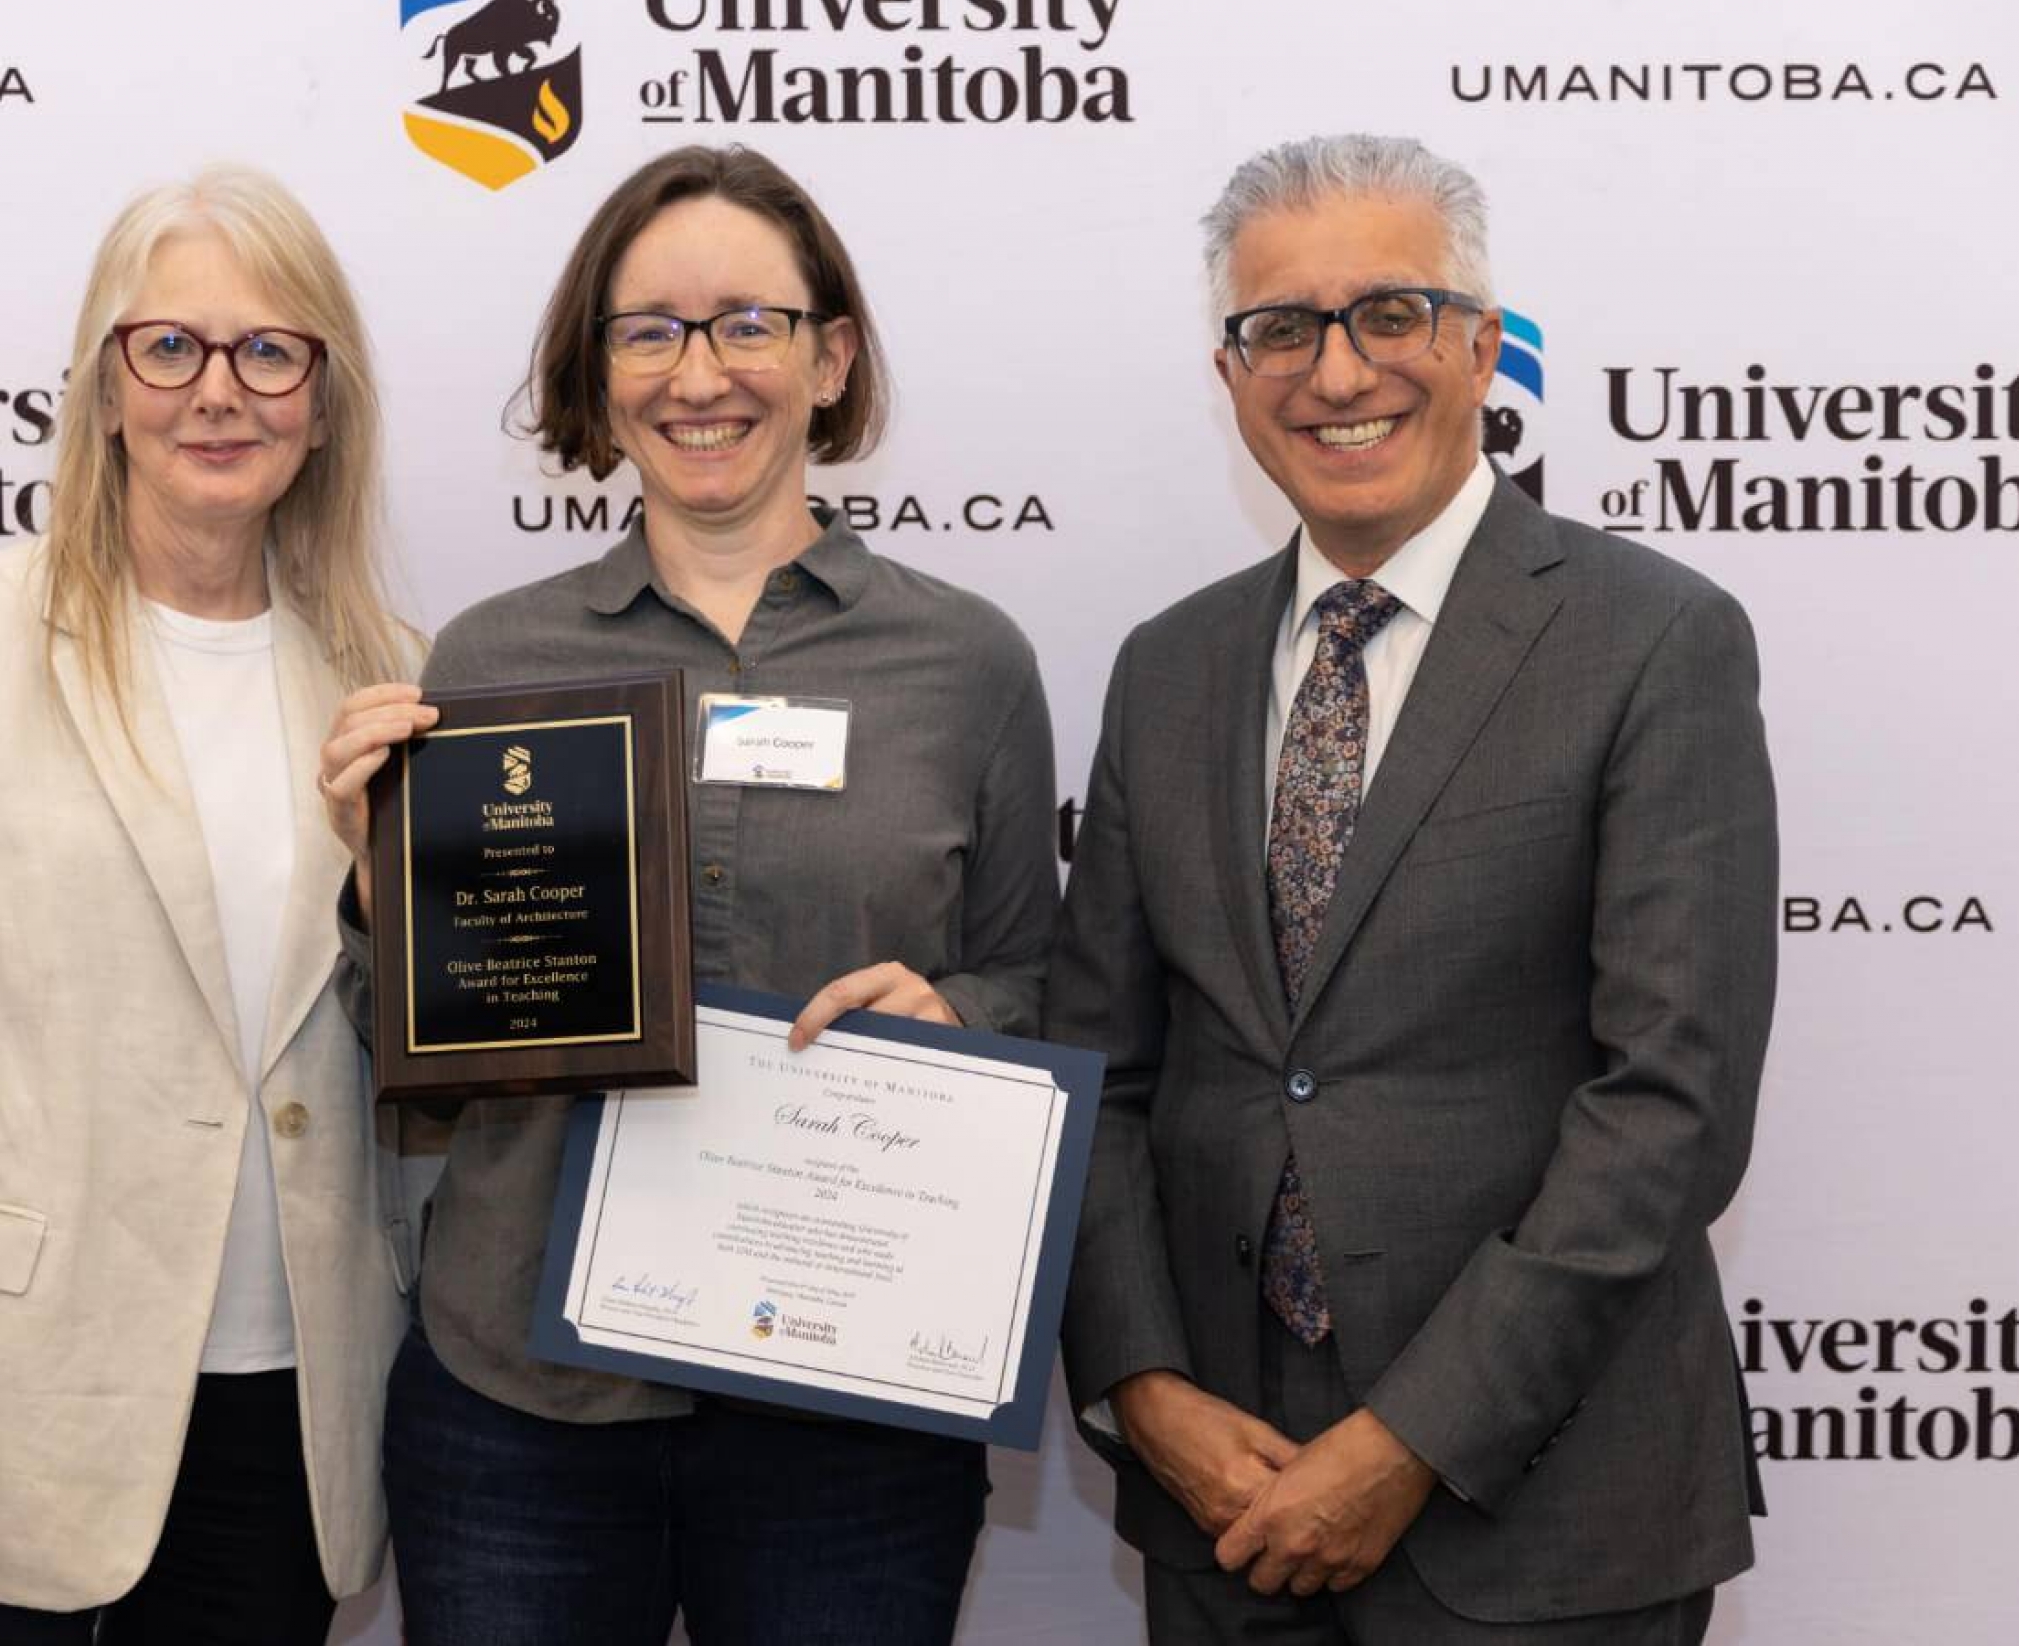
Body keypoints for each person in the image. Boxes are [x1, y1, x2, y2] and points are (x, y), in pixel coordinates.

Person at [319, 143, 1058, 1646]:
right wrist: (381, 889)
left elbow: (1040, 987)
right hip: (521, 1408)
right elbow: (417, 1074)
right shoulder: (485, 666)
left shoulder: (969, 664)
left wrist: (951, 1015)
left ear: (831, 357)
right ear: (598, 375)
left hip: (844, 1422)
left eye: (747, 324)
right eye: (647, 330)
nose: (696, 373)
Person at [1053, 133, 1778, 1644]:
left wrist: (1409, 1443)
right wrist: (1144, 1386)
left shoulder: (1654, 642)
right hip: (1224, 1506)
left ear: (1480, 343)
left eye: (1388, 313)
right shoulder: (1166, 668)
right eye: (1281, 329)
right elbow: (1101, 1073)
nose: (1335, 372)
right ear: (1231, 367)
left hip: (1545, 1510)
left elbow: (1672, 1103)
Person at [0, 167, 416, 1646]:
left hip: (290, 1436)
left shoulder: (390, 670)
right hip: (10, 1438)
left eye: (272, 352)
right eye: (172, 348)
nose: (222, 393)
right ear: (103, 386)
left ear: (323, 405)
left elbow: (432, 1070)